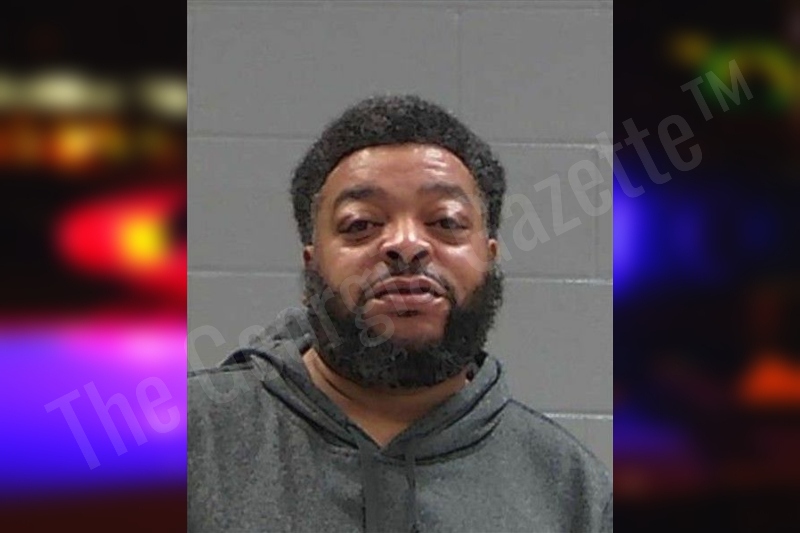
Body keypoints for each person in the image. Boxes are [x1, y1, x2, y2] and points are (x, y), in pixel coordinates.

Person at [188, 95, 612, 532]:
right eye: (361, 225)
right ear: (311, 264)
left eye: (445, 222)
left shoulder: (572, 491)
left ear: (489, 257)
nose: (407, 244)